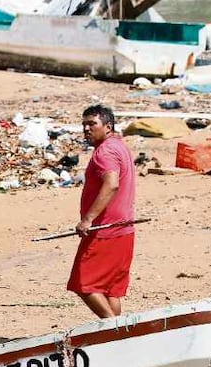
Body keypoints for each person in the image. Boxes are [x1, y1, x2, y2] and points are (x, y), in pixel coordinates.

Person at [67, 104, 136, 319]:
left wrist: (87, 219)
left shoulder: (105, 151)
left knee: (83, 283)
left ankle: (114, 332)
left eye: (92, 124)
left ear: (108, 126)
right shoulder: (118, 146)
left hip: (105, 230)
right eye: (84, 124)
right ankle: (117, 334)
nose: (87, 129)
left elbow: (112, 184)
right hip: (124, 229)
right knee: (109, 290)